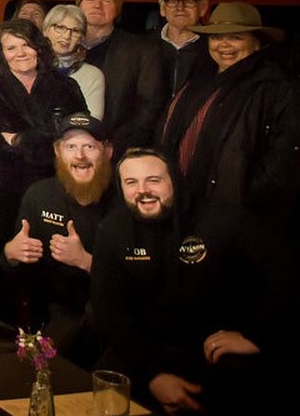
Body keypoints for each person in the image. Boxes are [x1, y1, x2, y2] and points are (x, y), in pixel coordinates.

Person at [90, 149, 289, 415]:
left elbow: (284, 268)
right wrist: (153, 376)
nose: (143, 190)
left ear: (174, 180)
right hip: (144, 349)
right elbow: (110, 311)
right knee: (102, 387)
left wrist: (258, 336)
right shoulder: (112, 230)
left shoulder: (222, 219)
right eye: (131, 182)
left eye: (153, 180)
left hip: (210, 349)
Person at [0, 17, 86, 320]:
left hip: (54, 188)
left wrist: (20, 139)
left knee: (49, 262)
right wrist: (46, 138)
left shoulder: (65, 87)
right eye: (11, 48)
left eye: (26, 45)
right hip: (0, 193)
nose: (20, 53)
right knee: (1, 265)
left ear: (39, 47)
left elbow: (77, 137)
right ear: (2, 54)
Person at [156, 2, 300, 224]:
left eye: (235, 37)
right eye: (216, 37)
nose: (224, 44)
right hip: (184, 203)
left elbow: (285, 157)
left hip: (239, 214)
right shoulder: (199, 79)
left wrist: (246, 196)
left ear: (258, 43)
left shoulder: (277, 87)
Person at [0, 112, 114, 367]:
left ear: (107, 152)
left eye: (89, 147)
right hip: (54, 317)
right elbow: (16, 275)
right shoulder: (39, 195)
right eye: (71, 146)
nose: (80, 155)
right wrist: (10, 254)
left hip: (109, 321)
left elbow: (141, 287)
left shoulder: (122, 201)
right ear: (57, 151)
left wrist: (86, 262)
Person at [74, 0, 167, 154]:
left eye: (106, 1)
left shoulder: (141, 49)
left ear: (117, 9)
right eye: (90, 0)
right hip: (67, 147)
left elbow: (150, 104)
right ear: (78, 7)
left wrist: (117, 145)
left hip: (117, 149)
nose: (97, 6)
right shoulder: (61, 46)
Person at [43, 4, 105, 119]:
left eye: (75, 31)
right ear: (45, 30)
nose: (67, 36)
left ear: (81, 38)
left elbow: (92, 121)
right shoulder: (29, 68)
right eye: (60, 27)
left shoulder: (92, 75)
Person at [157, 0, 211, 96]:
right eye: (172, 2)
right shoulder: (143, 45)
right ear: (162, 9)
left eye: (189, 2)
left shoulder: (215, 47)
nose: (180, 8)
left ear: (203, 8)